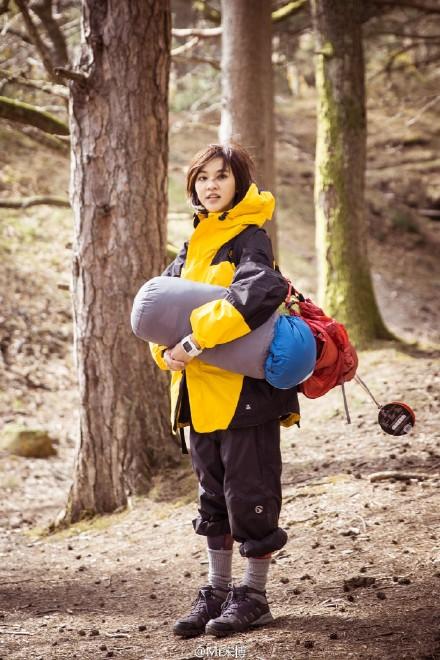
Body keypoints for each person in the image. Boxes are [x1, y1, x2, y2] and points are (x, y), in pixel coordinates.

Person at [149, 143, 300, 638]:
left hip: (244, 395)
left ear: (239, 183)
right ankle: (217, 591)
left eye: (223, 177)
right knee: (212, 497)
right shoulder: (192, 245)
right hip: (196, 394)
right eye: (203, 178)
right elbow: (162, 317)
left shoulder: (250, 237)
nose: (211, 185)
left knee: (250, 494)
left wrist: (194, 339)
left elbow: (258, 292)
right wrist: (167, 352)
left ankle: (253, 597)